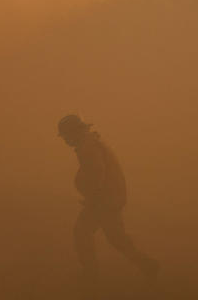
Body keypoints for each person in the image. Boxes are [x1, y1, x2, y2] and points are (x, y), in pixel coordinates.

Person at [57, 115, 159, 296]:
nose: (65, 140)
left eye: (65, 135)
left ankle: (91, 276)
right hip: (109, 198)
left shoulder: (88, 147)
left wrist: (93, 196)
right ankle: (147, 265)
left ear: (73, 133)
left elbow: (97, 172)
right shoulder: (89, 144)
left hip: (105, 200)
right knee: (115, 238)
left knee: (82, 233)